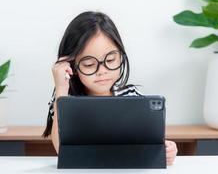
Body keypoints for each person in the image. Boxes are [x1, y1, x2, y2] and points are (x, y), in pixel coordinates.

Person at [42, 11, 177, 165]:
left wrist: (167, 150)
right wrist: (60, 88)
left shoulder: (132, 98)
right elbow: (62, 149)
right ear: (73, 65)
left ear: (121, 55)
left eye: (111, 60)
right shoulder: (65, 99)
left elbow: (147, 145)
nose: (102, 71)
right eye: (89, 64)